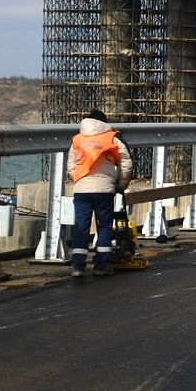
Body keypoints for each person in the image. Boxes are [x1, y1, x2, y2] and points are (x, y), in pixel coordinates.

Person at [66, 109, 132, 278]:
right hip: (104, 190)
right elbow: (126, 164)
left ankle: (78, 267)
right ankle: (101, 265)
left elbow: (71, 166)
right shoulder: (112, 137)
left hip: (82, 191)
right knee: (104, 227)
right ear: (105, 122)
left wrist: (79, 180)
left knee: (81, 227)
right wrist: (121, 185)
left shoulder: (77, 139)